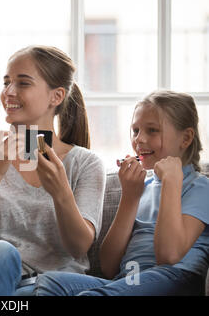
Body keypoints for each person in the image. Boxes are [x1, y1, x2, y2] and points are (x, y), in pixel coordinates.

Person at [0, 45, 106, 296]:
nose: (8, 92)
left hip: (44, 288)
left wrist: (61, 193)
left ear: (56, 96)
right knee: (2, 252)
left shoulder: (85, 163)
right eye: (6, 82)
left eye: (23, 83)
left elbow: (78, 248)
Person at [35, 90, 209, 296]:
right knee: (51, 282)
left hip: (175, 279)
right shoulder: (142, 187)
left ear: (186, 137)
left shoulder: (200, 187)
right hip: (129, 280)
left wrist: (171, 182)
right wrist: (130, 197)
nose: (140, 139)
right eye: (135, 131)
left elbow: (168, 256)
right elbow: (109, 266)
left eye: (152, 131)